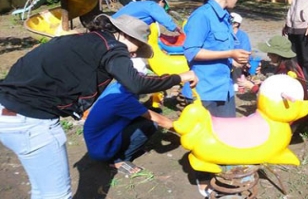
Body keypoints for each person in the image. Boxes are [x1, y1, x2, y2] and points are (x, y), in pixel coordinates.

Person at [0, 14, 197, 199]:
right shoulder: (113, 47)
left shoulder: (83, 41)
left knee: (42, 190)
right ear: (123, 34)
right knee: (56, 195)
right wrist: (180, 77)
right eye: (137, 45)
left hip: (7, 111)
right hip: (31, 122)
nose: (135, 53)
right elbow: (137, 83)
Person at [182, 0, 251, 196]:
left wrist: (238, 59)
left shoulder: (224, 17)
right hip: (207, 89)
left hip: (224, 89)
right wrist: (230, 52)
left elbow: (224, 51)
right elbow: (191, 52)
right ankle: (203, 180)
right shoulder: (202, 16)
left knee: (225, 135)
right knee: (205, 137)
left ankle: (223, 173)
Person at [83, 81, 175, 175]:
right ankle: (118, 160)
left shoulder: (119, 86)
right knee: (151, 124)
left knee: (153, 113)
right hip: (102, 148)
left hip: (101, 137)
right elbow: (160, 121)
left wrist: (149, 102)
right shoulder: (123, 99)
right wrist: (183, 130)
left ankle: (121, 149)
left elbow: (131, 110)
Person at [237, 35, 308, 100]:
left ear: (277, 55)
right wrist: (262, 83)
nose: (267, 55)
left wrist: (252, 87)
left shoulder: (285, 72)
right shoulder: (291, 65)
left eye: (270, 52)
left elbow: (273, 96)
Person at [113, 0, 181, 33]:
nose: (163, 8)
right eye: (164, 5)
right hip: (122, 27)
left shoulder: (136, 3)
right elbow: (165, 20)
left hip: (112, 22)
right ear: (161, 1)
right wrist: (176, 28)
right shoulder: (153, 6)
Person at [230, 12, 252, 88]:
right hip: (227, 58)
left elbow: (246, 52)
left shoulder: (243, 36)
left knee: (238, 64)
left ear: (236, 24)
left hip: (238, 60)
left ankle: (236, 83)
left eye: (230, 22)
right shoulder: (225, 34)